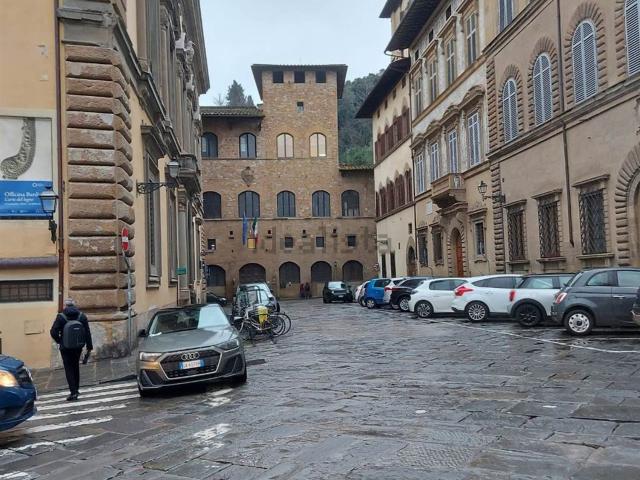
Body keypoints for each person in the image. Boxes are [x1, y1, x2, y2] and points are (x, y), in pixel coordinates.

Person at [50, 298, 93, 401]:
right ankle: (76, 389)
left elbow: (53, 332)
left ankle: (73, 392)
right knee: (75, 366)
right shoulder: (82, 316)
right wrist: (89, 347)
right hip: (78, 346)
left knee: (68, 368)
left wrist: (60, 341)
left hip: (65, 347)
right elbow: (87, 332)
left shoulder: (61, 317)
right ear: (74, 305)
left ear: (65, 306)